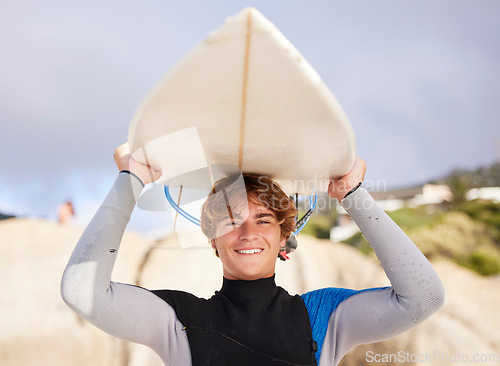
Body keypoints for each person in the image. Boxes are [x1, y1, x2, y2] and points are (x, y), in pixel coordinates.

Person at [61, 143, 444, 366]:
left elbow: (423, 298)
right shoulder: (178, 320)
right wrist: (131, 181)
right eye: (231, 220)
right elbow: (82, 292)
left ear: (283, 238)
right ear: (212, 238)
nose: (247, 233)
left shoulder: (321, 317)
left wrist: (353, 195)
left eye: (263, 220)